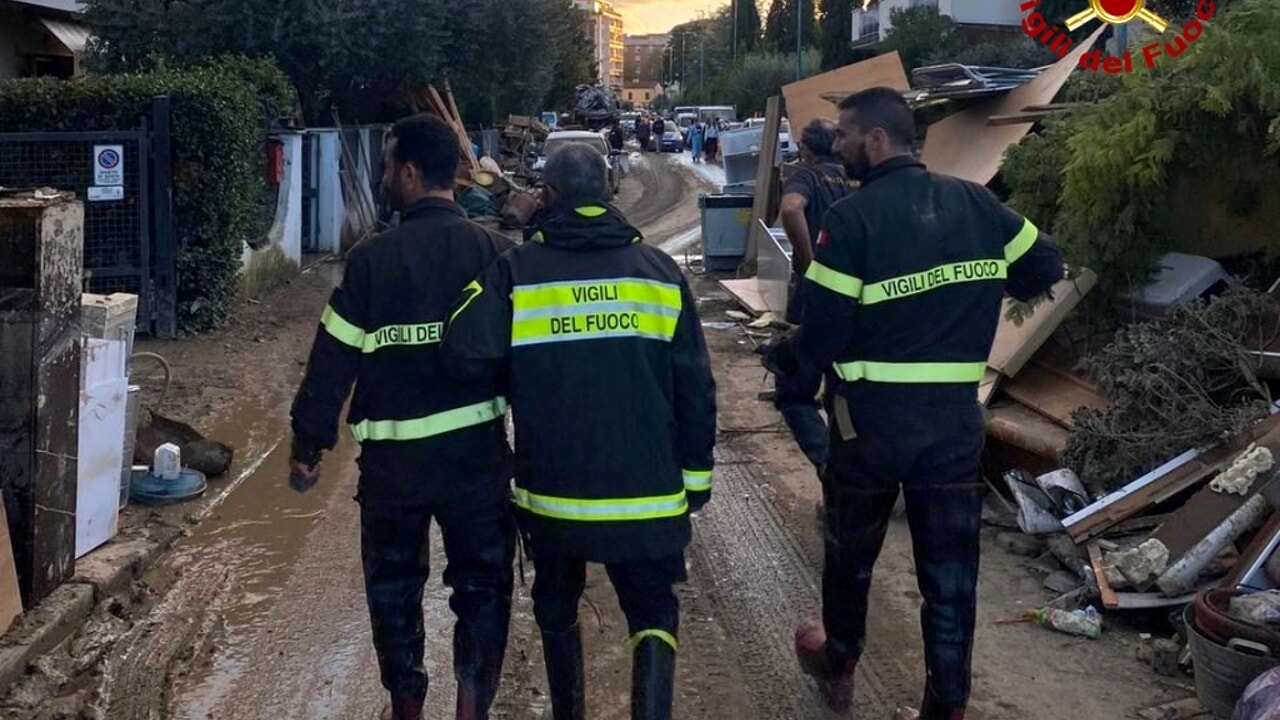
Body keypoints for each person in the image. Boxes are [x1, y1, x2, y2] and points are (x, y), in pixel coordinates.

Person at [763, 87, 1064, 719]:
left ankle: (838, 654)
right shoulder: (978, 205)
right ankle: (945, 705)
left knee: (850, 552)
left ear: (877, 139)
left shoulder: (850, 220)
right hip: (954, 425)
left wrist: (788, 362)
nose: (836, 145)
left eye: (844, 135)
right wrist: (973, 296)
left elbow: (823, 330)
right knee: (950, 577)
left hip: (867, 425)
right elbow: (1044, 265)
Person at [441, 142, 717, 720]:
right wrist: (695, 485)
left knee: (556, 608)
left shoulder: (517, 272)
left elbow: (462, 346)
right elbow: (695, 389)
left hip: (554, 500)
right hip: (649, 498)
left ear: (547, 197)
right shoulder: (660, 275)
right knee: (652, 615)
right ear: (610, 192)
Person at [289, 113, 517, 720]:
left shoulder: (370, 262)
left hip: (394, 470)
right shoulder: (496, 253)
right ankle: (472, 705)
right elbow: (528, 366)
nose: (385, 175)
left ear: (410, 173)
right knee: (482, 585)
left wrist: (308, 445)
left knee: (393, 587)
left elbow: (330, 360)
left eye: (389, 165)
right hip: (476, 463)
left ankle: (407, 706)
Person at [771, 118, 859, 472]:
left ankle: (831, 468)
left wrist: (810, 268)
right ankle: (852, 469)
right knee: (842, 390)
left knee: (794, 390)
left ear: (806, 150)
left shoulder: (806, 176)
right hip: (856, 300)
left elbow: (791, 208)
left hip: (815, 301)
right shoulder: (857, 178)